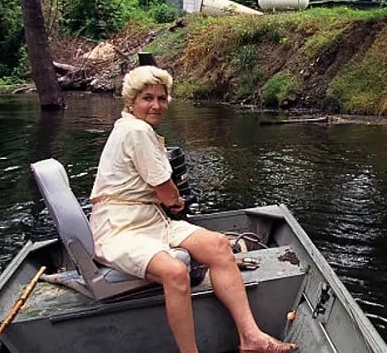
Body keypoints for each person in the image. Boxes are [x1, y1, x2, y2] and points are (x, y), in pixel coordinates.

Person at [90, 65, 296, 353]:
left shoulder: (132, 127)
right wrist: (176, 201)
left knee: (218, 245)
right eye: (147, 98)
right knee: (175, 271)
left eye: (161, 99)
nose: (156, 105)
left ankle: (251, 338)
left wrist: (171, 201)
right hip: (119, 228)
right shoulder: (136, 130)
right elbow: (166, 192)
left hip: (149, 220)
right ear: (131, 101)